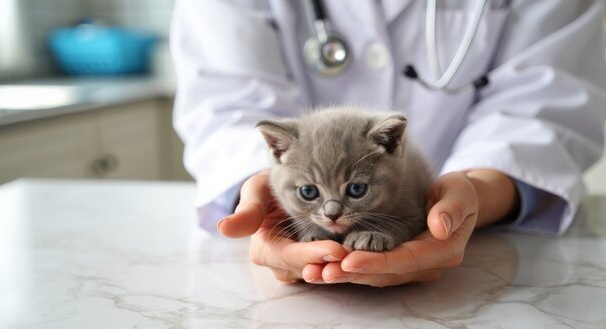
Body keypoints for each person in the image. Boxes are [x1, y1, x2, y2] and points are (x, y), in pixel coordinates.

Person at [171, 0, 606, 287]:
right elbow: (226, 100)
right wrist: (259, 191)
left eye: (350, 193)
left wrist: (475, 189)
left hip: (486, 259)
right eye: (312, 195)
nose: (333, 213)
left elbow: (546, 96)